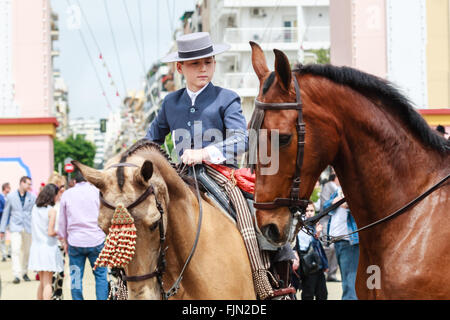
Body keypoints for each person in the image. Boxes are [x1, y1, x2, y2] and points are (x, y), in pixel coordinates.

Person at [145, 31, 247, 167]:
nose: (203, 68)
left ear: (214, 64)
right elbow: (150, 141)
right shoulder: (170, 102)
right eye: (195, 63)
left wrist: (204, 153)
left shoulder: (227, 98)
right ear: (180, 68)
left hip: (223, 177)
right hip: (182, 176)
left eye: (208, 62)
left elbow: (241, 139)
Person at [57, 169, 108, 300]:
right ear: (89, 180)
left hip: (75, 241)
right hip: (96, 239)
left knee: (75, 277)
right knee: (101, 275)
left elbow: (62, 220)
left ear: (74, 181)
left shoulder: (67, 194)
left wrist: (63, 239)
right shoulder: (97, 192)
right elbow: (105, 215)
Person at [324, 177, 359, 300]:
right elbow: (325, 206)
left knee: (349, 282)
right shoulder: (338, 190)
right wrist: (335, 201)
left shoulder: (355, 190)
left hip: (348, 241)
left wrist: (349, 204)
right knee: (346, 278)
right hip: (337, 241)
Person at [28, 184, 64, 300]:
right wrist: (60, 233)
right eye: (57, 194)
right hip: (48, 248)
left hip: (37, 248)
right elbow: (50, 232)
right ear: (52, 195)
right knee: (48, 282)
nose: (58, 197)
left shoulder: (34, 208)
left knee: (42, 282)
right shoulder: (51, 211)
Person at [0, 176, 36, 284]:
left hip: (28, 227)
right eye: (28, 184)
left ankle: (25, 272)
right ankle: (16, 274)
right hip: (15, 227)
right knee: (15, 250)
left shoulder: (32, 197)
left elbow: (35, 213)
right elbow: (6, 214)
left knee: (27, 251)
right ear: (22, 183)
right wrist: (2, 230)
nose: (30, 186)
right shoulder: (11, 197)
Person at [293, 201, 328, 300]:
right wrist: (316, 235)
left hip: (318, 265)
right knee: (308, 293)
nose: (309, 213)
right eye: (306, 211)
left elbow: (319, 248)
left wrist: (325, 264)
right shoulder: (301, 226)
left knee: (322, 293)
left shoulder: (314, 225)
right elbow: (305, 246)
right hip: (307, 265)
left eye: (312, 210)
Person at [47, 172, 67, 300]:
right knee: (50, 273)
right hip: (50, 242)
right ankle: (52, 295)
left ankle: (58, 295)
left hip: (60, 243)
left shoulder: (64, 201)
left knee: (60, 272)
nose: (62, 189)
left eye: (63, 186)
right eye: (60, 186)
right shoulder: (48, 204)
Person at [319, 172, 339, 282]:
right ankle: (324, 270)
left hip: (335, 221)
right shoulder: (329, 186)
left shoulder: (338, 187)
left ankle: (332, 273)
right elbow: (325, 205)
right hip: (326, 220)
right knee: (328, 246)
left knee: (334, 247)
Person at [0, 182, 11, 261]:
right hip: (2, 221)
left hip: (10, 221)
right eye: (8, 188)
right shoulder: (0, 197)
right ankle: (4, 254)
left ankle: (10, 253)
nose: (10, 189)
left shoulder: (10, 197)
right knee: (2, 239)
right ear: (5, 188)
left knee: (13, 237)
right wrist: (6, 211)